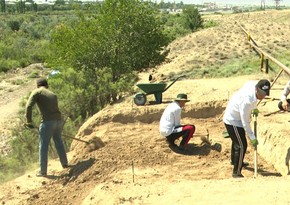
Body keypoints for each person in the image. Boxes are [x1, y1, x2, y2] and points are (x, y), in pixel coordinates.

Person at [223, 79, 270, 178]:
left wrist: (254, 108)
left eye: (265, 94)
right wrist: (252, 138)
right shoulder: (246, 101)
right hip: (233, 120)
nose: (262, 96)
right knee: (241, 145)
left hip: (237, 116)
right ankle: (236, 172)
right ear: (256, 89)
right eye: (261, 94)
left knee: (237, 141)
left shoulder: (253, 84)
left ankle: (234, 160)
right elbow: (245, 122)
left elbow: (250, 84)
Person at [25, 78, 69, 177]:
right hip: (58, 121)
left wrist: (29, 120)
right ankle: (65, 163)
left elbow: (28, 106)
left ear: (37, 85)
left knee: (43, 145)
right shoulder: (52, 94)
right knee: (58, 141)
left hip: (48, 122)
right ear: (47, 85)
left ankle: (42, 172)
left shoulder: (37, 91)